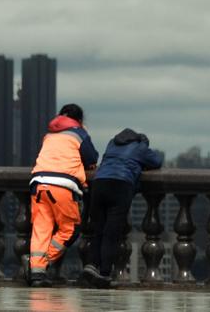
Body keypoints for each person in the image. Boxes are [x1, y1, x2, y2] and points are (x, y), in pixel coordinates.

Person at [24, 103, 98, 287]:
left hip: (38, 183)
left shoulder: (49, 135)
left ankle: (37, 274)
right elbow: (92, 158)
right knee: (70, 229)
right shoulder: (79, 133)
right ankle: (37, 266)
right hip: (63, 185)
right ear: (79, 120)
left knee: (41, 229)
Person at [81, 128, 163, 288]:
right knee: (111, 232)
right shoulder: (140, 146)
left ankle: (91, 265)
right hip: (121, 184)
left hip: (99, 183)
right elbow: (156, 161)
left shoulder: (112, 144)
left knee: (98, 229)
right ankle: (104, 274)